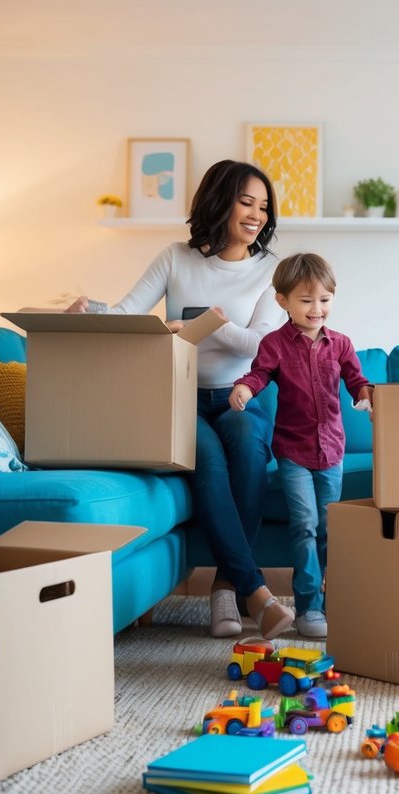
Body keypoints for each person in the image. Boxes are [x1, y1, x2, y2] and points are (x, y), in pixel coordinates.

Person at [68, 159, 293, 640]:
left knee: (249, 450)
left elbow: (263, 346)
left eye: (264, 206)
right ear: (220, 200)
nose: (256, 214)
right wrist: (91, 311)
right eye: (246, 202)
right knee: (208, 464)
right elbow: (130, 313)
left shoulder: (269, 271)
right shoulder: (175, 257)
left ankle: (225, 585)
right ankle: (254, 591)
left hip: (239, 396)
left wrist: (202, 326)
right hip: (179, 396)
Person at [229, 253, 373, 640]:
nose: (316, 309)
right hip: (293, 452)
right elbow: (258, 374)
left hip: (331, 452)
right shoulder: (274, 345)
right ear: (283, 302)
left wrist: (367, 397)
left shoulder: (340, 344)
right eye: (306, 300)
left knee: (329, 528)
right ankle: (308, 606)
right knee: (305, 525)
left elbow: (357, 380)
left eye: (324, 300)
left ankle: (331, 603)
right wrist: (244, 388)